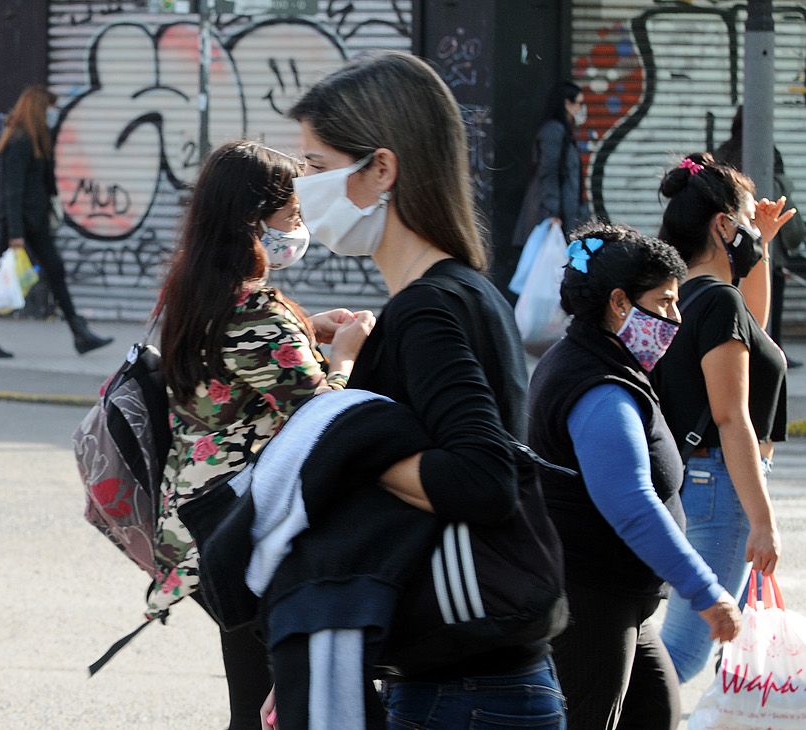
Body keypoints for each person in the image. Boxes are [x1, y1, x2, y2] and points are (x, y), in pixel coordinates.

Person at [261, 51, 568, 728]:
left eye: (314, 165)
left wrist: (346, 443)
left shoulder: (429, 308)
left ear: (382, 170)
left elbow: (483, 476)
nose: (302, 186)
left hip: (464, 692)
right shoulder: (460, 293)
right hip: (470, 682)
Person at [155, 140, 371, 728]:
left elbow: (250, 366)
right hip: (238, 528)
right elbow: (320, 419)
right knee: (280, 700)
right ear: (253, 220)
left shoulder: (200, 287)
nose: (300, 223)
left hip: (205, 521)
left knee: (253, 696)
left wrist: (309, 327)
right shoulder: (254, 312)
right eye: (293, 213)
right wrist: (345, 356)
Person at [529, 223, 741, 728]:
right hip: (593, 602)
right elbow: (632, 504)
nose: (675, 317)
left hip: (618, 599)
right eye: (665, 302)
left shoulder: (590, 357)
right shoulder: (598, 388)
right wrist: (706, 592)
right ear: (620, 303)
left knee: (655, 713)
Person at [652, 152, 795, 683]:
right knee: (683, 653)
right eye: (742, 221)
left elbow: (753, 336)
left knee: (675, 647)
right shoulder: (717, 305)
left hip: (695, 481)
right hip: (721, 487)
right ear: (721, 225)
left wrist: (759, 249)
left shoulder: (687, 297)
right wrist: (763, 519)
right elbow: (732, 417)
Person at [0, 84, 112, 358]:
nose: (53, 114)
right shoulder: (20, 141)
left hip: (33, 221)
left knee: (55, 270)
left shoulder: (36, 140)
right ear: (39, 109)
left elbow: (44, 183)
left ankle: (78, 332)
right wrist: (15, 234)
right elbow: (13, 191)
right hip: (19, 222)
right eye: (50, 109)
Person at [715, 107, 806, 367]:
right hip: (766, 238)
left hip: (731, 240)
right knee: (769, 294)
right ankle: (769, 346)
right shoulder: (769, 150)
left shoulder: (723, 152)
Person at [512, 81, 589, 252]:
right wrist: (551, 213)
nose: (581, 109)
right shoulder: (554, 131)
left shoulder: (564, 132)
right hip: (554, 216)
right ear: (566, 104)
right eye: (579, 103)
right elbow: (549, 172)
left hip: (565, 214)